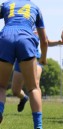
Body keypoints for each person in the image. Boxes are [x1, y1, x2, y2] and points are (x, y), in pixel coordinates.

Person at [0, 0, 48, 129]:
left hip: (6, 37)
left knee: (1, 86)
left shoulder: (6, 4)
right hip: (26, 38)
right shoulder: (35, 8)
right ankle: (38, 126)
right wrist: (43, 58)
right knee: (33, 87)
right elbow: (44, 41)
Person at [12, 28, 63, 112]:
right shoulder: (17, 25)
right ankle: (24, 98)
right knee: (15, 91)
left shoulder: (38, 26)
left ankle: (37, 113)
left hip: (35, 58)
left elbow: (46, 42)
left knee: (35, 84)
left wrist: (58, 42)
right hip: (20, 59)